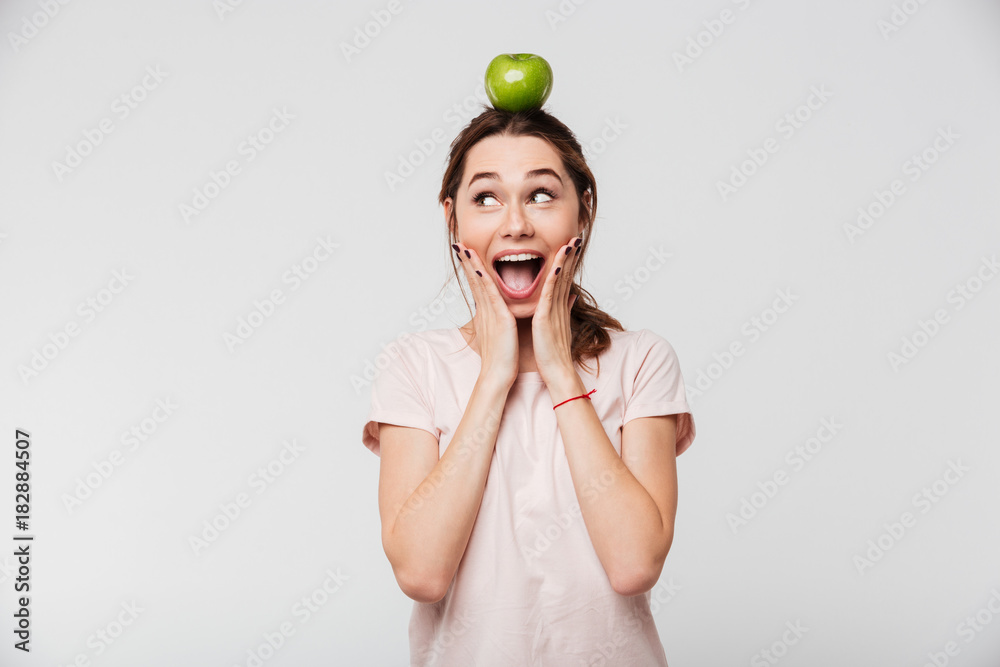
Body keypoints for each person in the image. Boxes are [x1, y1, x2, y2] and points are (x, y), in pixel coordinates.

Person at [361, 105, 696, 666]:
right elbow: (421, 573)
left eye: (542, 194)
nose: (515, 223)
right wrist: (494, 377)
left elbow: (634, 564)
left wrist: (560, 371)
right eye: (486, 198)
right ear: (453, 220)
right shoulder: (413, 365)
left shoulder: (641, 361)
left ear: (582, 212)